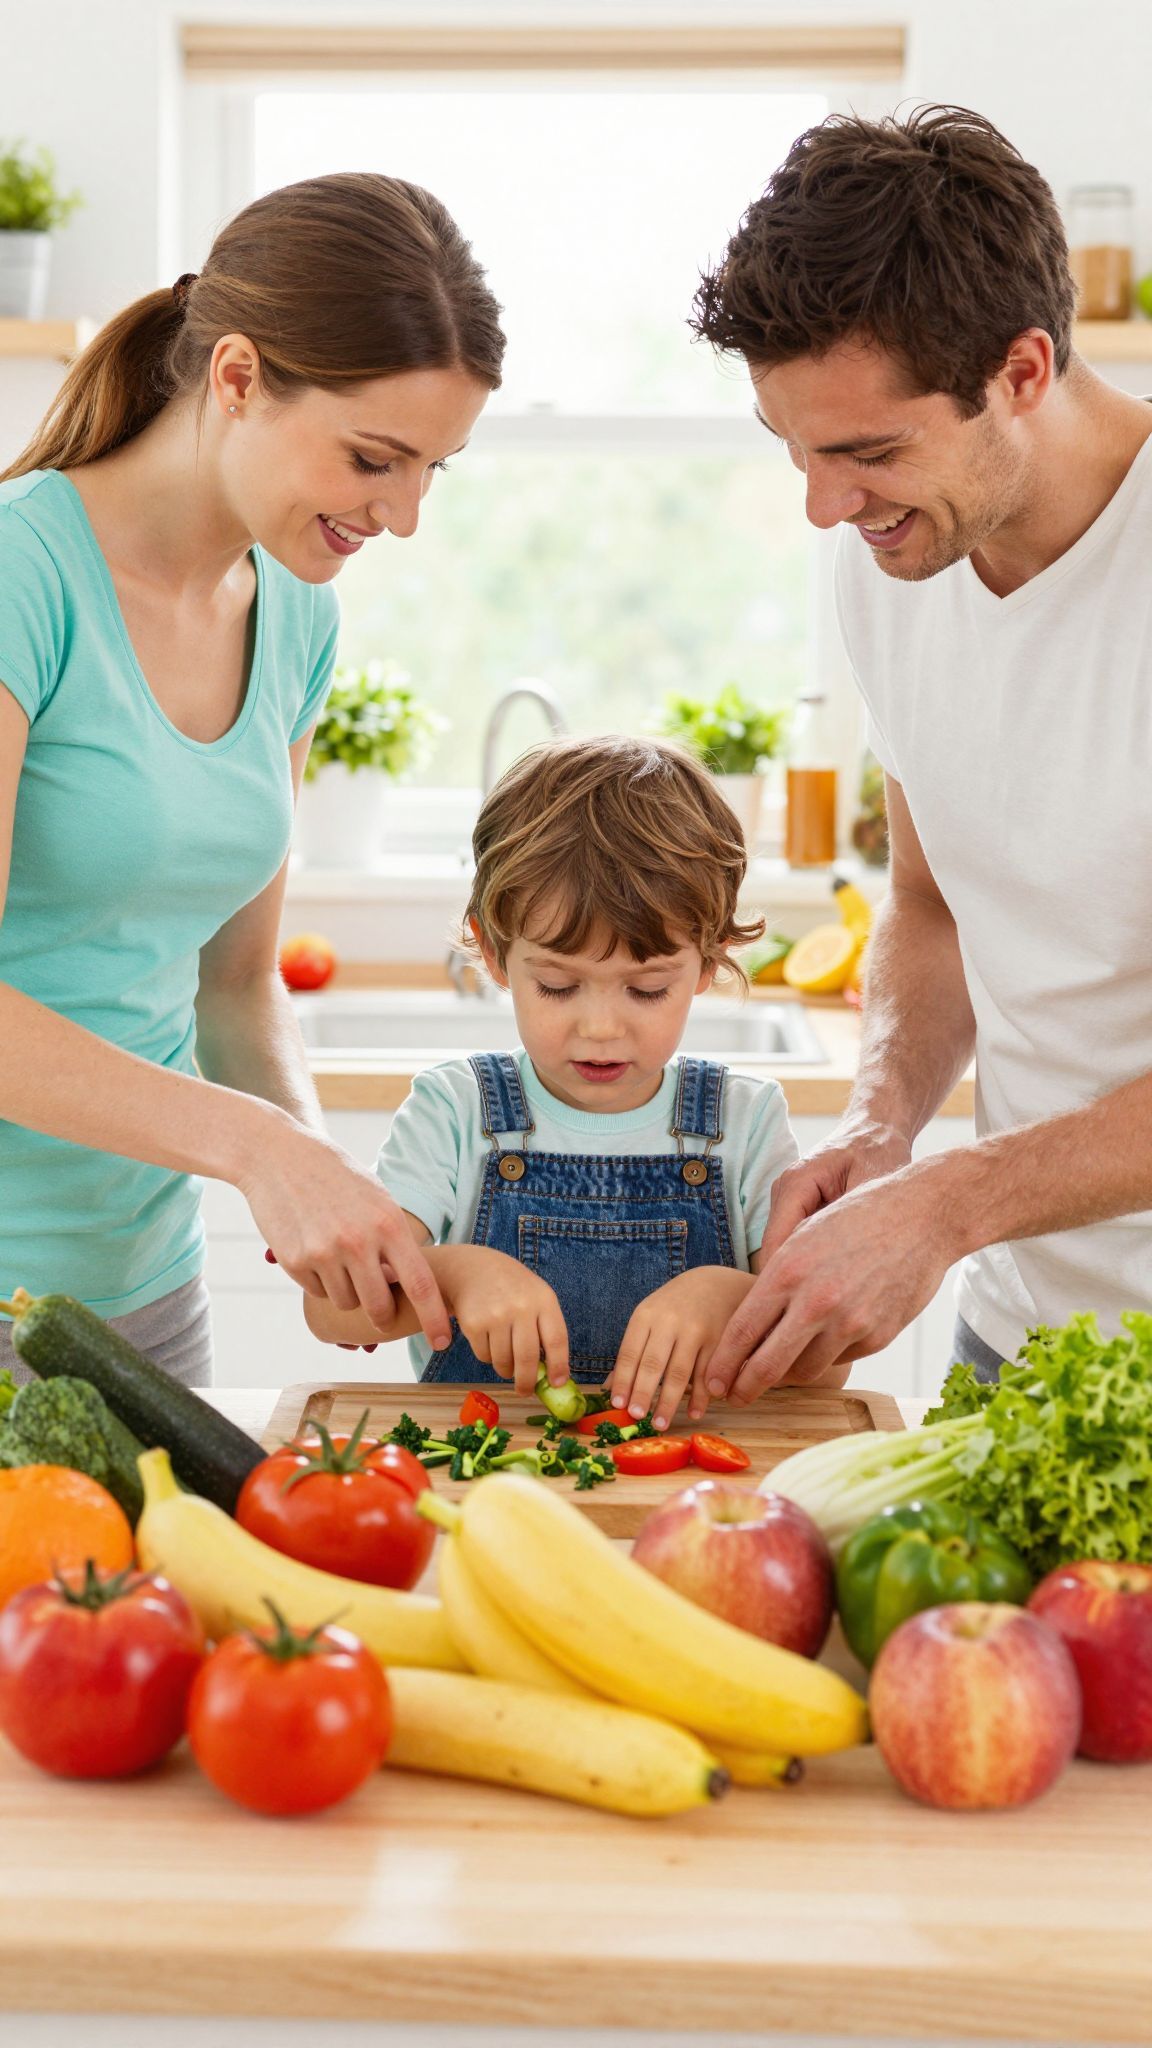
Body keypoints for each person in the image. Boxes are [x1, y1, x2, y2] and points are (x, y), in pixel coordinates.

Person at [0, 172, 506, 1384]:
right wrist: (256, 1149)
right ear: (236, 378)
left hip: (145, 1294)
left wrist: (325, 1193)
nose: (403, 514)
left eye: (434, 469)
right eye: (376, 457)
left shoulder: (291, 616)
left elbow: (234, 986)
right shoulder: (25, 573)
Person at [688, 105, 1152, 1405]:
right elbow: (930, 904)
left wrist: (951, 1203)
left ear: (1022, 369)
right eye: (795, 452)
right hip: (1019, 1339)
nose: (826, 507)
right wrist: (884, 1123)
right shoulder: (893, 561)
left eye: (868, 452)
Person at [302, 734, 805, 1427]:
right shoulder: (455, 1111)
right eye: (559, 986)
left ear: (711, 962)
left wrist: (727, 1297)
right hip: (486, 1478)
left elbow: (828, 1360)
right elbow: (330, 1310)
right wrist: (454, 1275)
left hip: (683, 1475)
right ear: (494, 951)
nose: (600, 1027)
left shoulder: (746, 1123)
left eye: (648, 990)